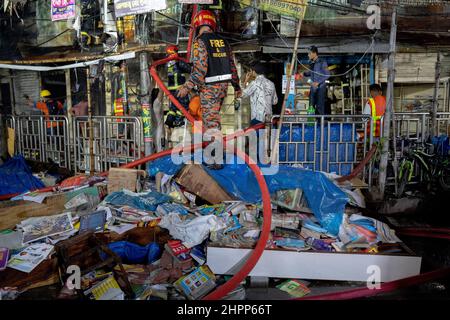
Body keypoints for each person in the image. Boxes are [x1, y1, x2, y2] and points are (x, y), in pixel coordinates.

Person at [177, 9, 241, 169]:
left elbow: (200, 69)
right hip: (223, 88)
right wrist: (237, 86)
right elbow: (232, 67)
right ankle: (212, 155)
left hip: (209, 88)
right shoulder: (224, 42)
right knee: (212, 122)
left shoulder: (200, 42)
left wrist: (187, 86)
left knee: (211, 124)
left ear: (198, 25)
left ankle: (216, 160)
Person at [165, 45, 191, 129]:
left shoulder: (167, 63)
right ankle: (178, 121)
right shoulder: (178, 62)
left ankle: (169, 119)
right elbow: (189, 69)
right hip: (180, 88)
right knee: (183, 105)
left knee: (173, 106)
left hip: (171, 90)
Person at [302, 46, 330, 115]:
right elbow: (311, 73)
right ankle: (311, 124)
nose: (308, 55)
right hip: (313, 88)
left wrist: (318, 82)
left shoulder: (322, 62)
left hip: (321, 88)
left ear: (314, 53)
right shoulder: (311, 63)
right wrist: (304, 73)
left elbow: (327, 74)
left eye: (309, 53)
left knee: (319, 107)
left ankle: (320, 124)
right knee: (311, 106)